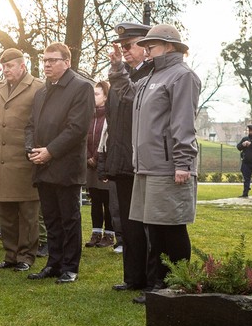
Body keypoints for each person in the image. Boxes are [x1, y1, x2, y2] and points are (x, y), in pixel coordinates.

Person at [131, 24, 201, 304]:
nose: (146, 51)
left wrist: (183, 162)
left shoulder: (182, 76)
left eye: (152, 46)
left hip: (170, 165)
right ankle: (156, 283)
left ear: (169, 46)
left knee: (170, 228)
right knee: (153, 228)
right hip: (148, 165)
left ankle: (173, 284)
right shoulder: (151, 76)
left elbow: (183, 122)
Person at [25, 43, 94, 284]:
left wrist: (50, 152)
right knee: (51, 218)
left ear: (67, 61)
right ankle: (53, 263)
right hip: (42, 164)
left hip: (66, 166)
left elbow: (77, 128)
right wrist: (30, 150)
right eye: (45, 60)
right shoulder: (42, 92)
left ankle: (70, 267)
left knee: (69, 218)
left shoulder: (82, 87)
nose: (47, 64)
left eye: (53, 60)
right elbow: (31, 125)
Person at [102, 22, 154, 292]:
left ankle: (149, 278)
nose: (125, 52)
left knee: (146, 225)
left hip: (142, 161)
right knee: (128, 223)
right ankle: (133, 278)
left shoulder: (152, 75)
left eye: (129, 46)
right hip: (122, 162)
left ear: (146, 47)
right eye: (122, 47)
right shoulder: (121, 76)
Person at [0, 48, 43, 272]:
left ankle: (26, 256)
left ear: (22, 66)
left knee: (28, 214)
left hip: (25, 159)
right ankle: (10, 255)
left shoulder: (38, 87)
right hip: (1, 160)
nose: (6, 70)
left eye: (10, 66)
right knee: (5, 213)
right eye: (4, 66)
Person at [85, 81, 115, 248]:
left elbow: (107, 140)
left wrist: (96, 157)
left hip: (104, 164)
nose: (93, 97)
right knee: (95, 199)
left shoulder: (109, 116)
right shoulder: (89, 115)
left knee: (107, 200)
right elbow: (83, 137)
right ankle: (96, 233)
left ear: (105, 96)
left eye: (96, 94)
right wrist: (87, 157)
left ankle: (109, 235)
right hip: (89, 165)